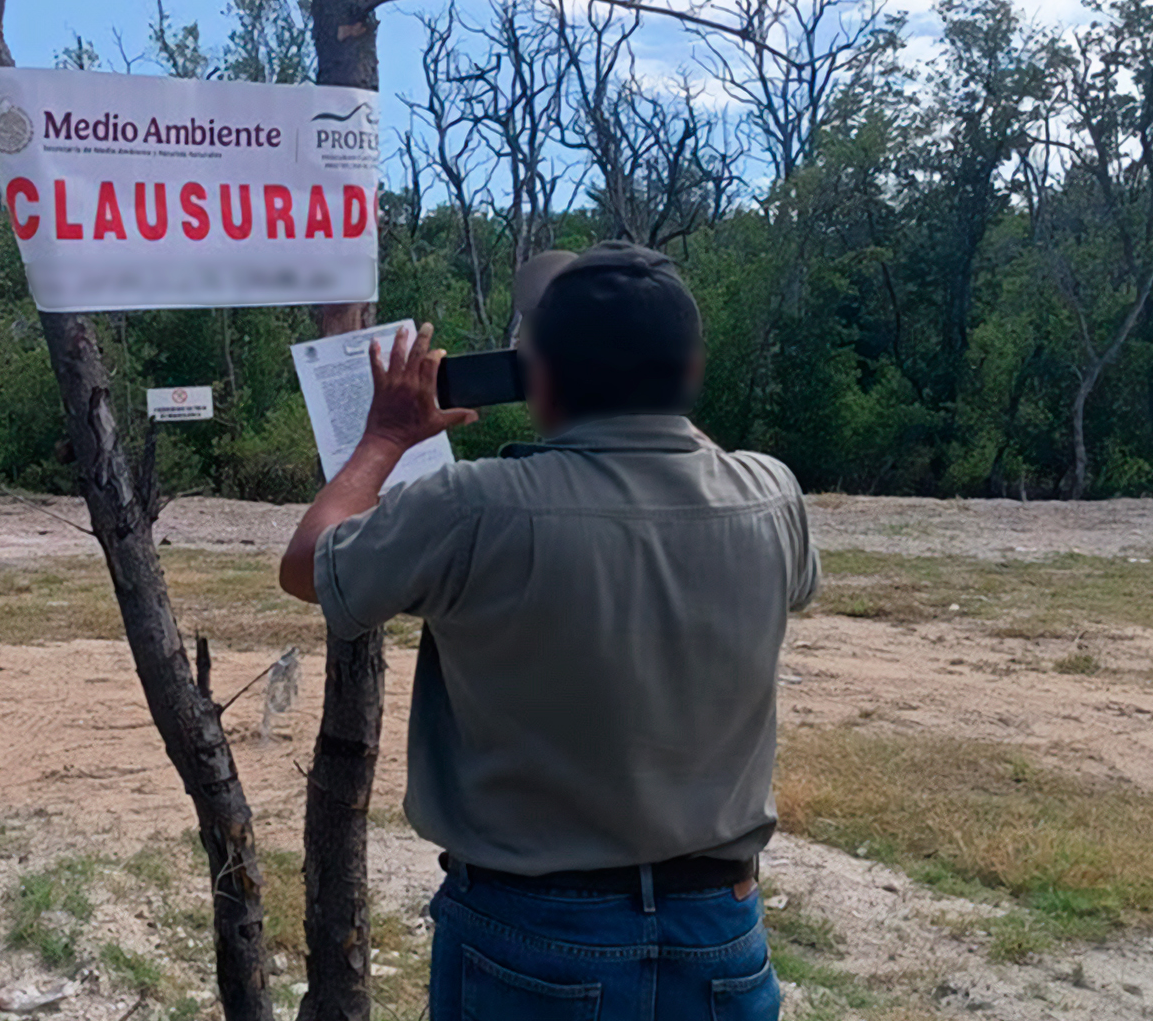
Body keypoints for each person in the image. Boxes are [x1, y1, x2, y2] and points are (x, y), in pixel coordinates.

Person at [278, 241, 819, 1021]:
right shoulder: (772, 495)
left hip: (534, 936)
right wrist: (659, 391)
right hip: (722, 933)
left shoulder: (473, 506)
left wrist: (384, 438)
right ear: (692, 371)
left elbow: (308, 566)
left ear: (537, 376)